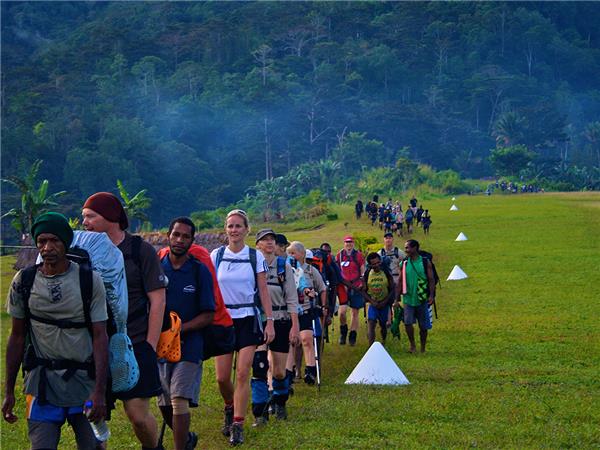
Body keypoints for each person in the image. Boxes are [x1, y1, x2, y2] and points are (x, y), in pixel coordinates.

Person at [3, 212, 108, 450]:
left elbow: (101, 336)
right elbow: (17, 337)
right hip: (42, 383)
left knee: (92, 445)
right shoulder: (24, 281)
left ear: (65, 242)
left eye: (54, 241)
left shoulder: (89, 281)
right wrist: (9, 391)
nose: (47, 247)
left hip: (84, 382)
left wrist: (100, 392)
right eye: (42, 241)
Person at [82, 192, 166, 450]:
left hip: (136, 341)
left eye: (90, 216)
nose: (84, 222)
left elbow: (158, 300)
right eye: (83, 216)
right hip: (93, 345)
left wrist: (150, 346)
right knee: (93, 415)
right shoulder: (82, 251)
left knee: (138, 417)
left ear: (111, 217)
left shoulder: (140, 251)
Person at [210, 209, 275, 446]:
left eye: (238, 226)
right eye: (230, 226)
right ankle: (229, 407)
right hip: (223, 320)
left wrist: (270, 321)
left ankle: (238, 423)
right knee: (221, 378)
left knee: (242, 373)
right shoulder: (216, 255)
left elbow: (264, 290)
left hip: (247, 318)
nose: (234, 230)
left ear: (247, 229)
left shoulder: (255, 257)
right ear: (225, 229)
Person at [158, 217, 215, 450]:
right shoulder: (157, 268)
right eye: (176, 235)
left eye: (185, 236)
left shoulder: (199, 271)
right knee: (163, 403)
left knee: (179, 398)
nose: (180, 240)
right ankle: (187, 439)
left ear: (192, 240)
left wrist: (180, 329)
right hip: (160, 345)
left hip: (189, 345)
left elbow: (208, 314)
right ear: (168, 236)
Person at [252, 229, 300, 425]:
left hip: (281, 320)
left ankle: (280, 401)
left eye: (272, 239)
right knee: (260, 366)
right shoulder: (252, 265)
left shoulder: (283, 266)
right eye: (265, 240)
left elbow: (292, 297)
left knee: (279, 371)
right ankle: (260, 411)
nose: (270, 242)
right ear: (258, 245)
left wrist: (294, 326)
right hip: (259, 321)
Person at [287, 243, 327, 385]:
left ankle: (310, 370)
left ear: (302, 254)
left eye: (294, 253)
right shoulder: (287, 268)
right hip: (290, 311)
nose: (291, 256)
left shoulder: (310, 270)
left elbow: (321, 288)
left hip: (305, 309)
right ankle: (290, 372)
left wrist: (322, 305)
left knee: (307, 339)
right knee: (292, 342)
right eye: (289, 253)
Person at [397, 240, 436, 353]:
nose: (406, 250)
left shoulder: (425, 262)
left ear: (415, 248)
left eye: (408, 248)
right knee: (408, 323)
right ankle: (412, 345)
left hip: (422, 298)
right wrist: (396, 299)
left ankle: (423, 347)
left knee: (423, 326)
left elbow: (431, 279)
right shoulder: (404, 263)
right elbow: (400, 281)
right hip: (408, 298)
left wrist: (431, 296)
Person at [335, 236, 365, 346]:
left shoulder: (358, 255)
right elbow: (336, 269)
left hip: (356, 286)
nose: (349, 244)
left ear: (353, 243)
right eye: (347, 242)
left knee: (355, 312)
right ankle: (343, 331)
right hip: (343, 286)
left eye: (350, 242)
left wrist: (362, 282)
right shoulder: (339, 255)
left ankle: (352, 335)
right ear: (344, 244)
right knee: (342, 312)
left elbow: (362, 269)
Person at [363, 253, 395, 347]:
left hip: (384, 303)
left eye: (378, 263)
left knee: (383, 325)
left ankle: (384, 341)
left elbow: (392, 288)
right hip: (373, 304)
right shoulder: (368, 273)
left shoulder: (385, 271)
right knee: (371, 323)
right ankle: (370, 347)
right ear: (370, 265)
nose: (376, 265)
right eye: (374, 264)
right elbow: (364, 291)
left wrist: (385, 301)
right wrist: (371, 301)